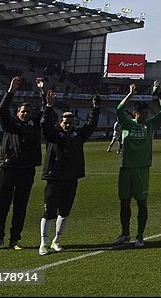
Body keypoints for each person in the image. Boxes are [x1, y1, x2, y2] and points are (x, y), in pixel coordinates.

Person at [39, 88, 99, 255]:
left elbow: (91, 126)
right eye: (65, 122)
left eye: (70, 122)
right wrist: (49, 107)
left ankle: (56, 241)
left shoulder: (78, 135)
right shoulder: (53, 135)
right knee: (49, 211)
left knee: (64, 212)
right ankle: (43, 243)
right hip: (54, 178)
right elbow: (44, 124)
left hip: (71, 178)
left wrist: (95, 109)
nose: (67, 124)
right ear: (60, 123)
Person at [0, 76, 45, 251]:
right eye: (23, 111)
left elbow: (46, 110)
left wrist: (43, 91)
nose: (25, 114)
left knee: (20, 207)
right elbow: (1, 110)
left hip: (26, 170)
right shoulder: (11, 125)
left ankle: (15, 240)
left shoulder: (34, 126)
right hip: (8, 169)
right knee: (1, 206)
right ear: (17, 113)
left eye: (28, 112)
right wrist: (10, 91)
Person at [113, 81, 161, 249]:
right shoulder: (127, 124)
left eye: (147, 114)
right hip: (126, 169)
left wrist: (159, 96)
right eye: (143, 114)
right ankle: (125, 233)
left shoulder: (150, 125)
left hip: (142, 170)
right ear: (135, 114)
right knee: (124, 203)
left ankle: (140, 235)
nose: (146, 116)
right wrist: (130, 94)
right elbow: (119, 110)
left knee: (142, 203)